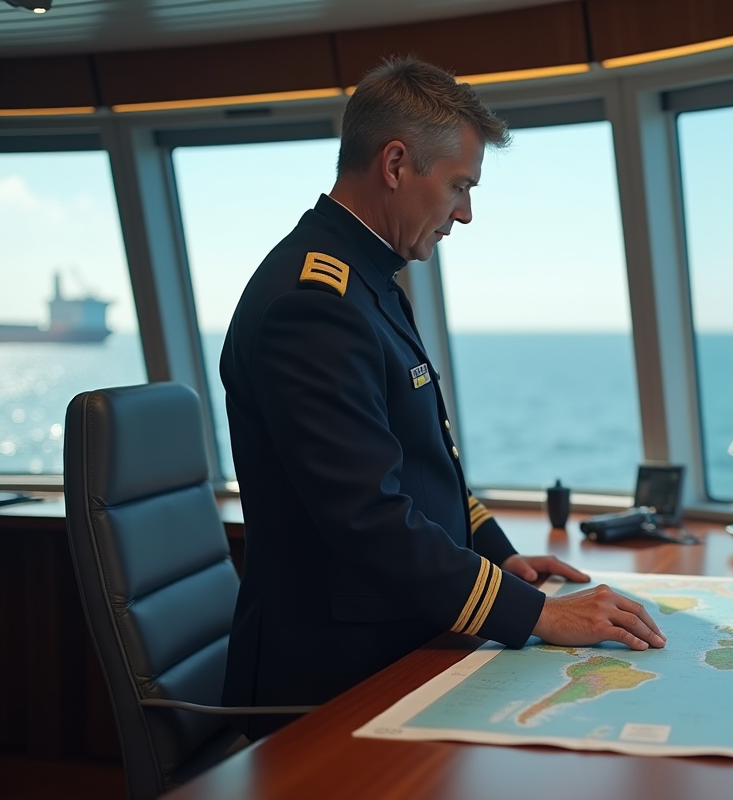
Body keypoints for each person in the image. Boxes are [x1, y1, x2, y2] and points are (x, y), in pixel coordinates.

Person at [220, 56, 664, 739]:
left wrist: (500, 557)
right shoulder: (314, 303)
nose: (466, 212)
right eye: (458, 185)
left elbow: (424, 461)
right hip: (330, 684)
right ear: (396, 164)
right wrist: (536, 614)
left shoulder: (366, 281)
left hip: (397, 640)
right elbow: (368, 516)